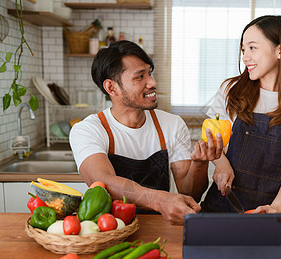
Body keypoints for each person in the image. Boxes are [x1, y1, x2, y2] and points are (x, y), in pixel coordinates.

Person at [69, 40, 222, 225]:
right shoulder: (88, 129)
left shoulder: (171, 125)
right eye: (140, 77)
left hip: (159, 226)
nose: (152, 82)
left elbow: (189, 194)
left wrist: (199, 164)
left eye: (149, 73)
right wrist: (161, 200)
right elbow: (101, 180)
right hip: (108, 229)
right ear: (111, 87)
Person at [201, 15, 281, 213]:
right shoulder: (231, 90)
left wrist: (276, 207)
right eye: (243, 50)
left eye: (252, 48)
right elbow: (210, 139)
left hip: (267, 211)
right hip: (219, 207)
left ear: (280, 50)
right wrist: (221, 164)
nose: (245, 56)